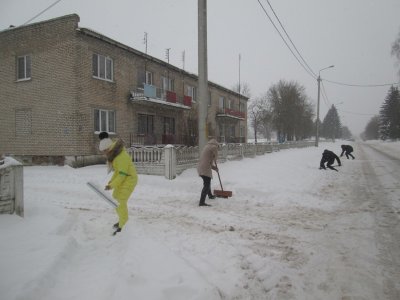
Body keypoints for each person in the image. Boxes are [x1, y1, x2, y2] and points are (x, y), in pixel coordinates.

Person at [99, 137, 138, 235]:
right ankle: (122, 219)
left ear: (108, 148)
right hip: (124, 178)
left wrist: (112, 185)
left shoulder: (121, 156)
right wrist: (111, 182)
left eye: (104, 151)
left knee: (120, 201)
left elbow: (122, 174)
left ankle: (123, 224)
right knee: (115, 199)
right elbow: (117, 172)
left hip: (129, 179)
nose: (104, 153)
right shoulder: (115, 155)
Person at [197, 139, 219, 207]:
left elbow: (208, 162)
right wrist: (215, 158)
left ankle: (210, 195)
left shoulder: (207, 146)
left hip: (201, 167)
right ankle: (201, 202)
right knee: (207, 184)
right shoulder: (214, 147)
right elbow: (216, 157)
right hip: (205, 167)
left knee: (207, 181)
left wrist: (215, 168)